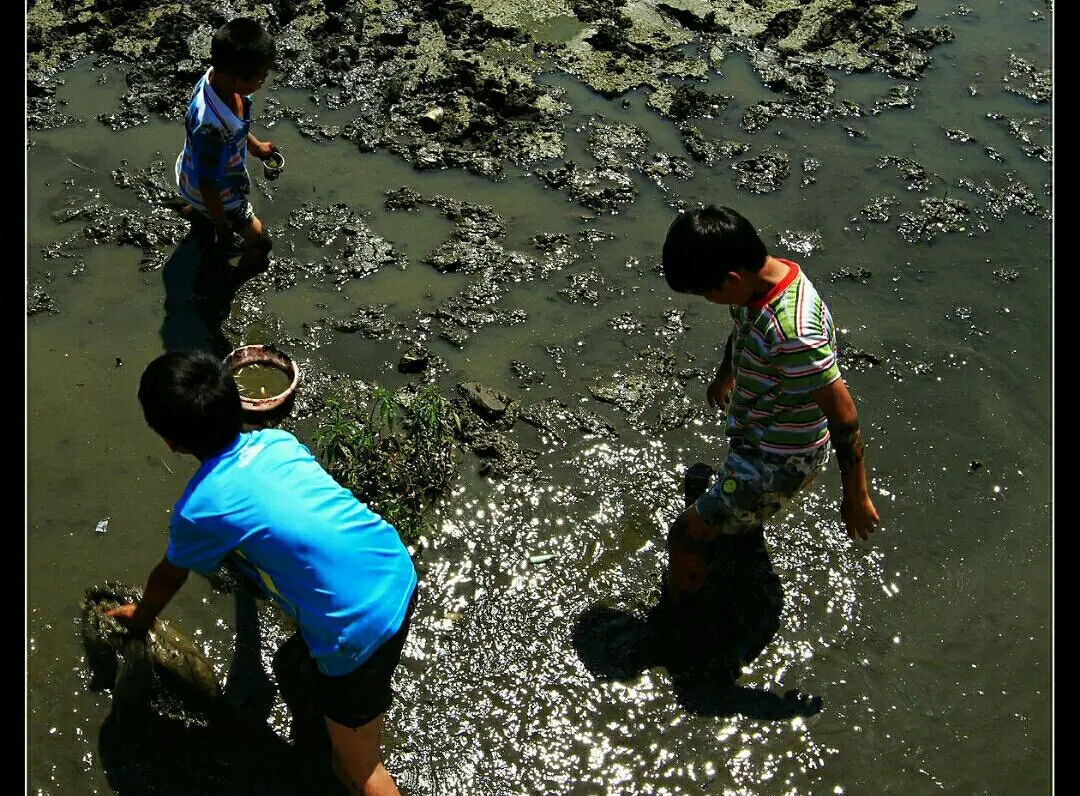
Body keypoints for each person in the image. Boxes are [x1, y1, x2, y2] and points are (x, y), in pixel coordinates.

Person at [106, 349, 418, 796]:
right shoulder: (279, 443)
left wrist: (141, 618)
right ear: (241, 403)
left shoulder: (199, 511)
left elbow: (170, 575)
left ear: (170, 441)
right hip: (393, 566)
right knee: (305, 668)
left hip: (355, 630)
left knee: (355, 768)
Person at [655, 205, 880, 667]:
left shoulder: (794, 331)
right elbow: (740, 330)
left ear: (731, 277)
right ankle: (735, 524)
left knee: (684, 535)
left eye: (705, 293)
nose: (707, 301)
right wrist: (726, 374)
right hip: (759, 433)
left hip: (776, 463)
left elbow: (844, 415)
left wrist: (855, 494)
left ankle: (676, 620)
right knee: (713, 496)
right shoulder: (766, 278)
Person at [173, 17, 277, 273]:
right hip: (215, 192)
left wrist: (254, 147)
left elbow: (237, 127)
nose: (262, 82)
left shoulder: (213, 79)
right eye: (260, 78)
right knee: (262, 243)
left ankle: (197, 214)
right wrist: (223, 227)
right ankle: (229, 282)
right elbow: (209, 183)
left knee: (201, 209)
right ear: (233, 77)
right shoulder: (211, 128)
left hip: (190, 175)